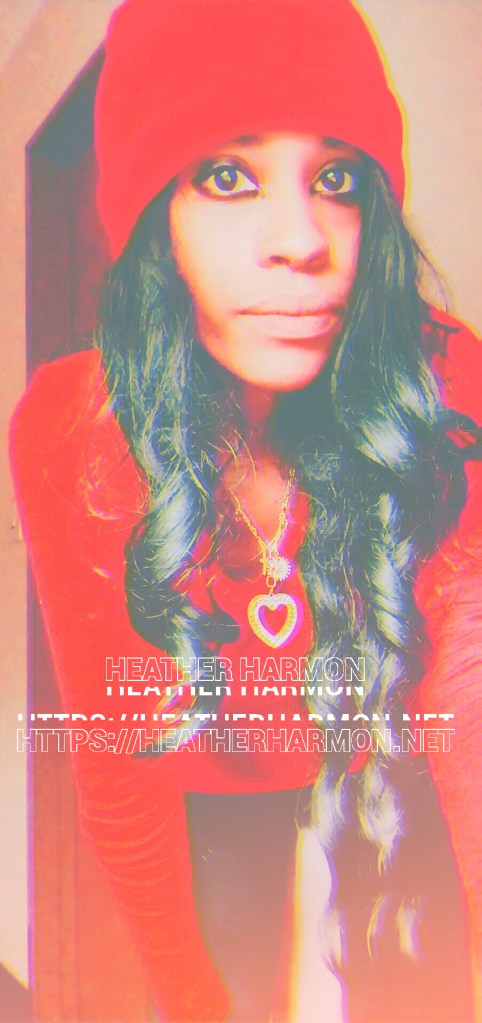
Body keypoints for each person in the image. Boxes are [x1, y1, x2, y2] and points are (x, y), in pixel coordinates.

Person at [10, 0, 482, 1020]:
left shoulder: (450, 390)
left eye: (336, 180)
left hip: (394, 763)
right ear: (153, 222)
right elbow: (120, 768)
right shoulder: (71, 431)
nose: (301, 240)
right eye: (228, 176)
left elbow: (469, 705)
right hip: (220, 791)